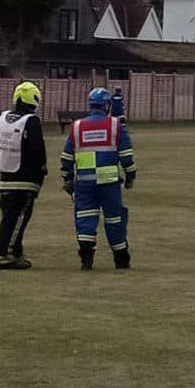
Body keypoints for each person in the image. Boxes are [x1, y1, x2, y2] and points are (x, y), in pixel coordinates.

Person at [62, 87, 137, 270]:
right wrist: (130, 175)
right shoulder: (115, 125)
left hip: (84, 184)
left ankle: (86, 260)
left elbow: (67, 156)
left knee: (85, 219)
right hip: (108, 183)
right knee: (114, 220)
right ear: (107, 105)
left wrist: (68, 178)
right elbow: (126, 154)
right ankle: (121, 260)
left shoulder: (77, 126)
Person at [0, 81, 48, 270]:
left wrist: (5, 161)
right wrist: (40, 170)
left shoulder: (3, 117)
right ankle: (3, 254)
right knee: (18, 218)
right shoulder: (31, 121)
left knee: (10, 216)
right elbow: (38, 149)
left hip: (5, 176)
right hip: (25, 181)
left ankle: (16, 252)